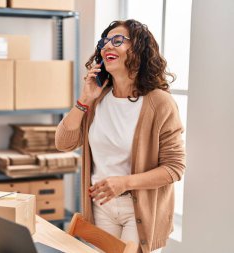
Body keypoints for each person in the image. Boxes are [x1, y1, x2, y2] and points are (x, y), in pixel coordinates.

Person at [55, 19, 185, 253]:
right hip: (100, 207)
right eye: (104, 42)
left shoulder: (160, 103)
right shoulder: (98, 99)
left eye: (118, 41)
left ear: (139, 49)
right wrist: (85, 99)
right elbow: (63, 143)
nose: (107, 46)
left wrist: (124, 182)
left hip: (139, 210)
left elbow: (174, 168)